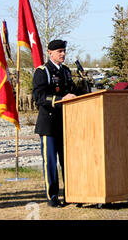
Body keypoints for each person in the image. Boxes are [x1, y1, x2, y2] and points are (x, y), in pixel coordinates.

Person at [32, 39, 80, 208]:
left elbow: (72, 91)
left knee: (68, 161)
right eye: (59, 51)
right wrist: (61, 99)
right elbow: (39, 97)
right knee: (50, 162)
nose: (63, 54)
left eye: (64, 51)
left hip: (66, 123)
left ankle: (71, 193)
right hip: (49, 125)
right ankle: (52, 196)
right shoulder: (42, 71)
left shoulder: (66, 71)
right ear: (50, 53)